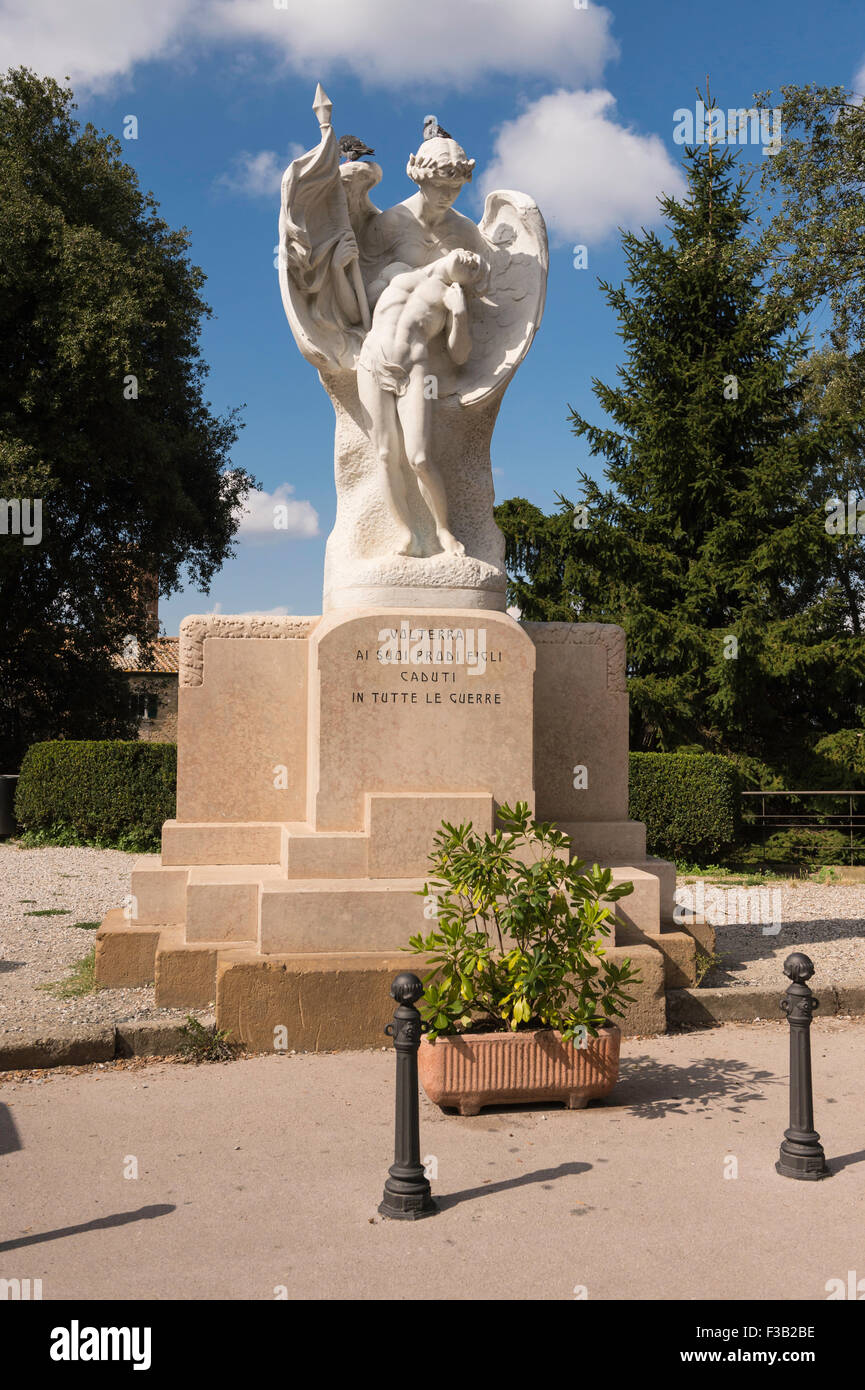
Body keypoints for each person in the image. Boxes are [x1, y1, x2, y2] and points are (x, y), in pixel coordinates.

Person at [356, 248, 490, 557]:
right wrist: (339, 263)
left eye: (476, 269)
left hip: (415, 371)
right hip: (372, 361)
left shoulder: (451, 298)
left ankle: (443, 529)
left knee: (418, 457)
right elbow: (355, 304)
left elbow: (459, 355)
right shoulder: (398, 270)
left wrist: (459, 314)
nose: (473, 260)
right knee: (385, 453)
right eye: (472, 256)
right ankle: (405, 534)